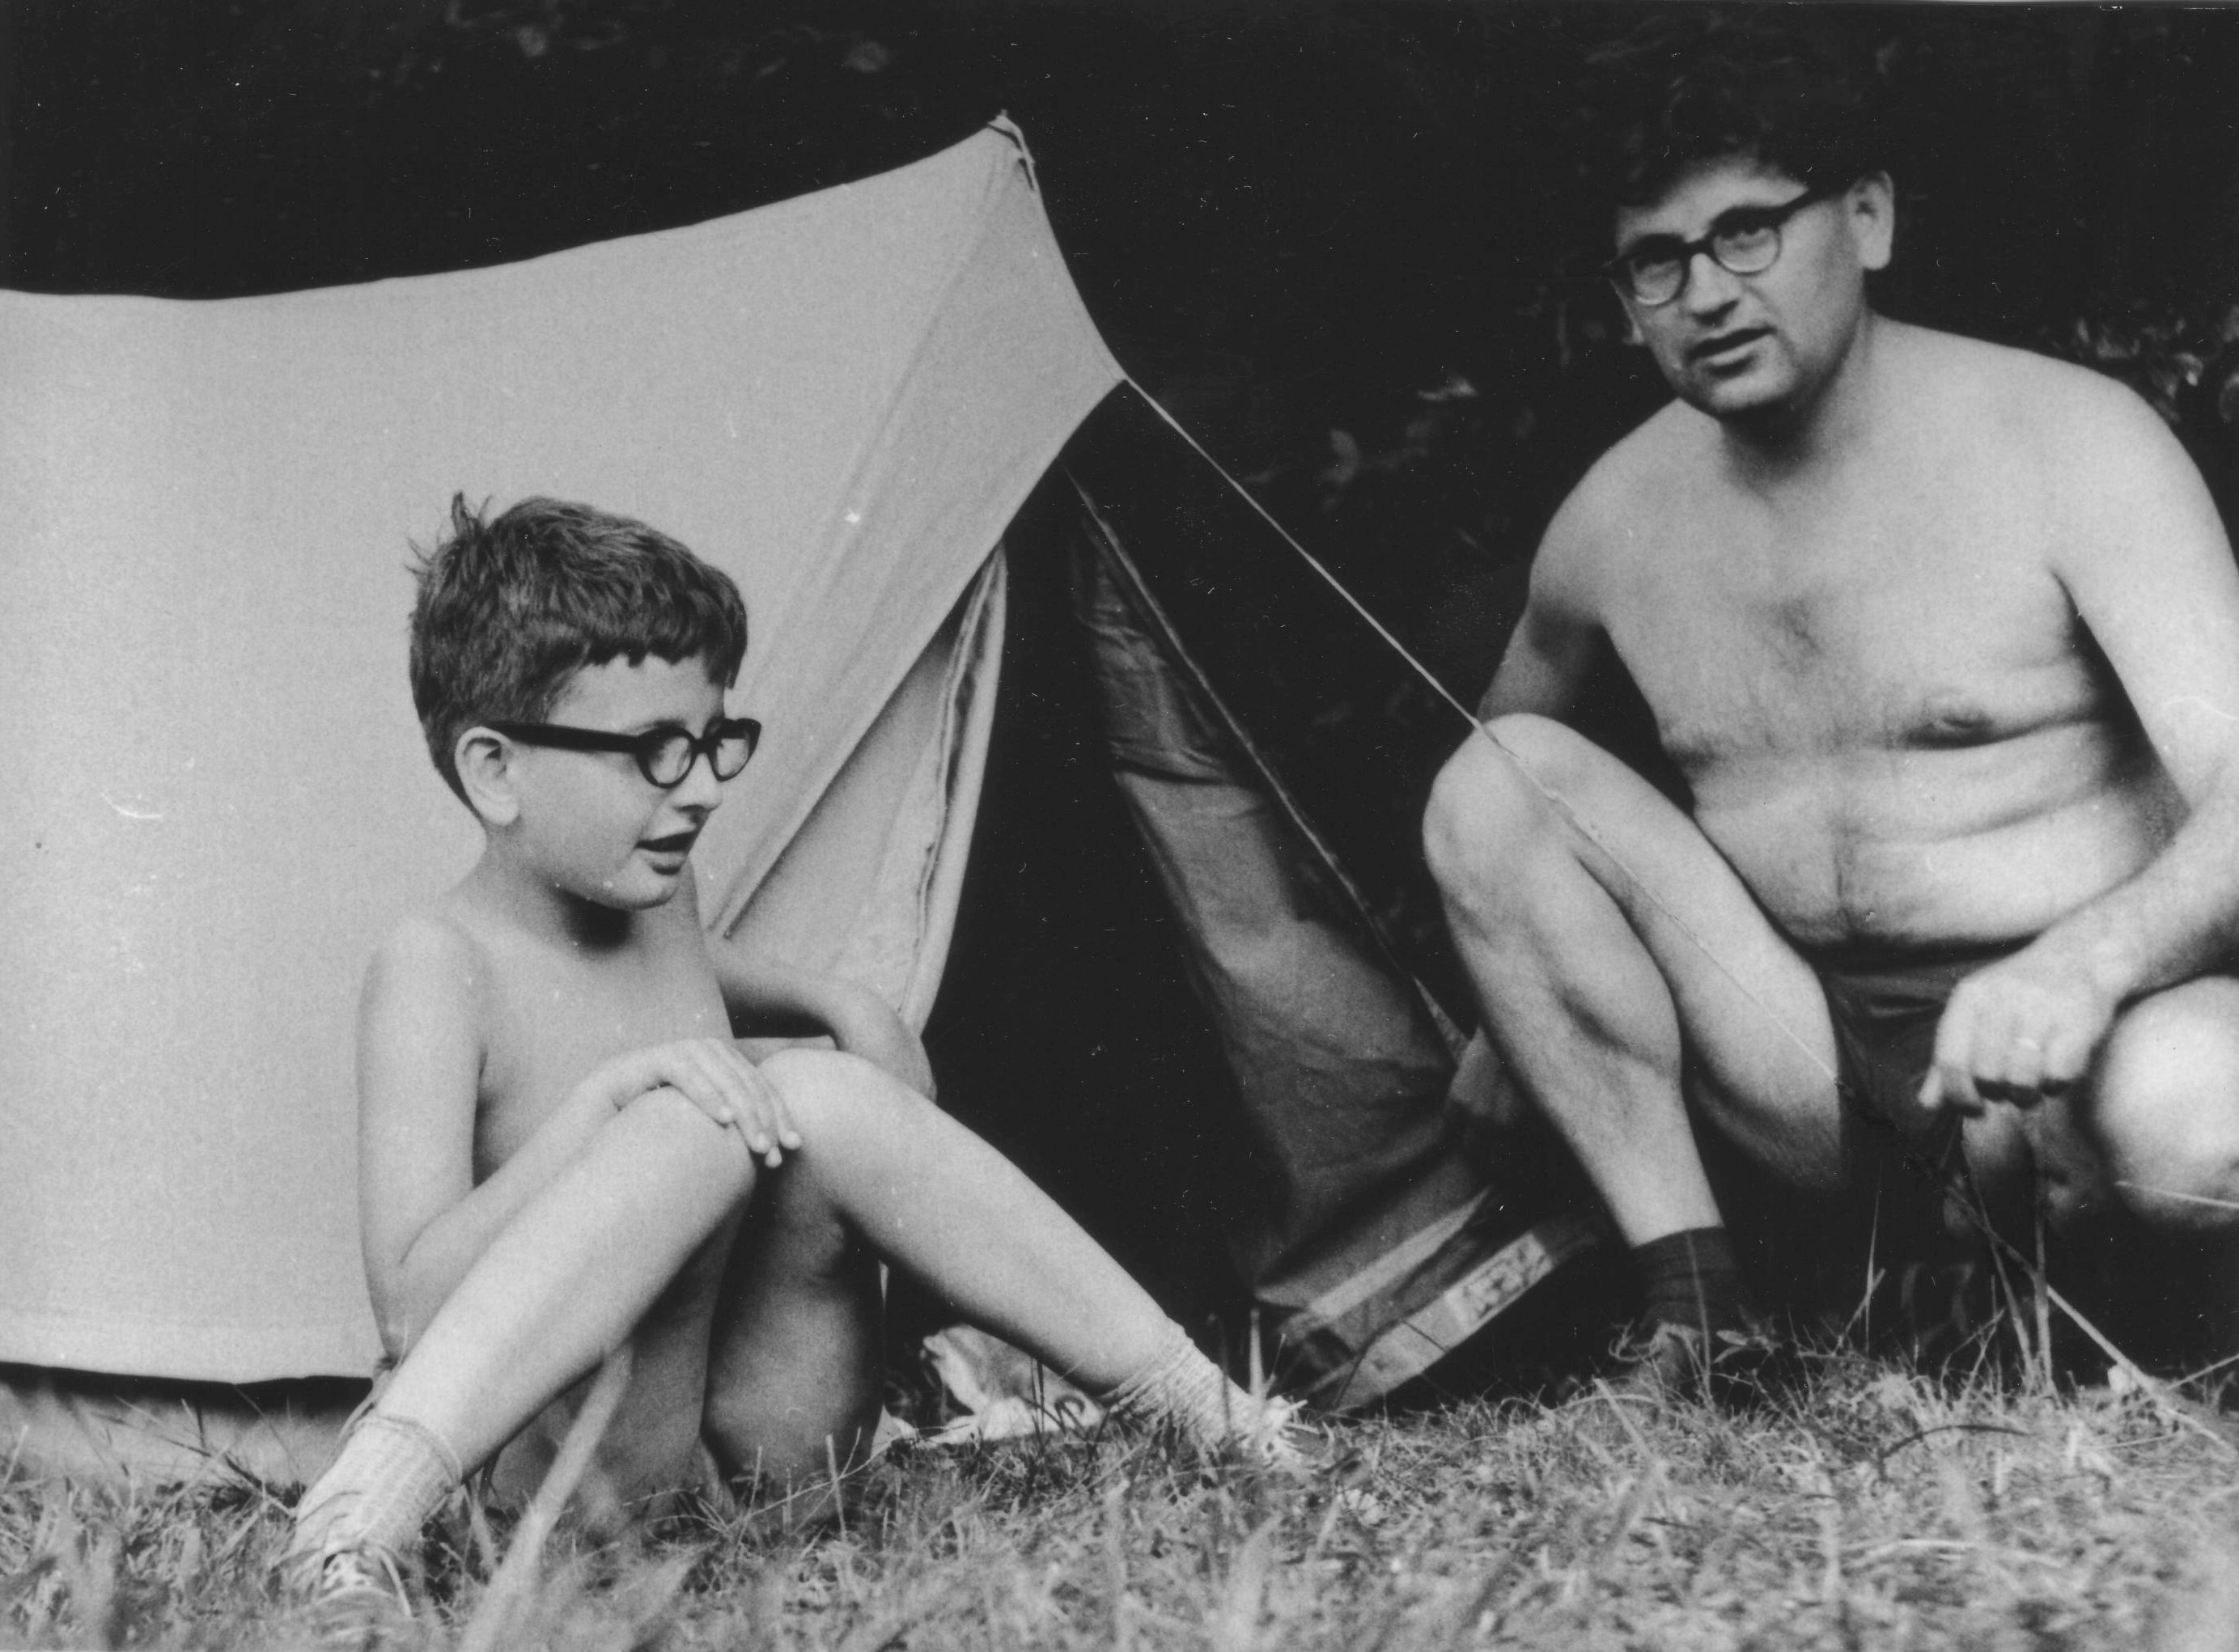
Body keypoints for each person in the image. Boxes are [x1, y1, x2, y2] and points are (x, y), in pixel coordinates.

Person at [286, 496, 1298, 1607]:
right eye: (656, 752)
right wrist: (603, 1109)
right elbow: (410, 1308)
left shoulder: (656, 898)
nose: (704, 787)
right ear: (495, 770)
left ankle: (1203, 1405)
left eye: (714, 740)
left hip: (752, 1484)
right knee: (690, 1119)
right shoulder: (439, 965)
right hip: (547, 1496)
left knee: (819, 1093)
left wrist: (833, 1002)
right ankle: (358, 1513)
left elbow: (684, 977)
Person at [1424, 17, 2239, 1392]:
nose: (1707, 292)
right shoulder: (1614, 520)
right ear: (1623, 298)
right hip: (1800, 1072)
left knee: (2200, 1117)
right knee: (1496, 775)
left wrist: (2085, 965)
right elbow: (1504, 805)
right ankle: (1704, 1313)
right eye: (1657, 259)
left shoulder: (2074, 443)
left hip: (2081, 1048)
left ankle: (2086, 1312)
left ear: (1866, 219)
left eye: (1748, 231)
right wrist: (1512, 1003)